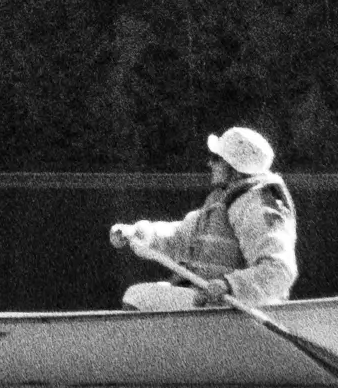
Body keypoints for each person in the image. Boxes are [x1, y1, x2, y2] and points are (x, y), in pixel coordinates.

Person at [109, 125, 297, 311]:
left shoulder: (256, 207)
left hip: (237, 307)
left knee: (137, 296)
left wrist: (229, 285)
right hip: (214, 301)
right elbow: (180, 237)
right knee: (154, 292)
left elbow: (280, 270)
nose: (210, 163)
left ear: (235, 168)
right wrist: (139, 233)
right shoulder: (224, 200)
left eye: (216, 158)